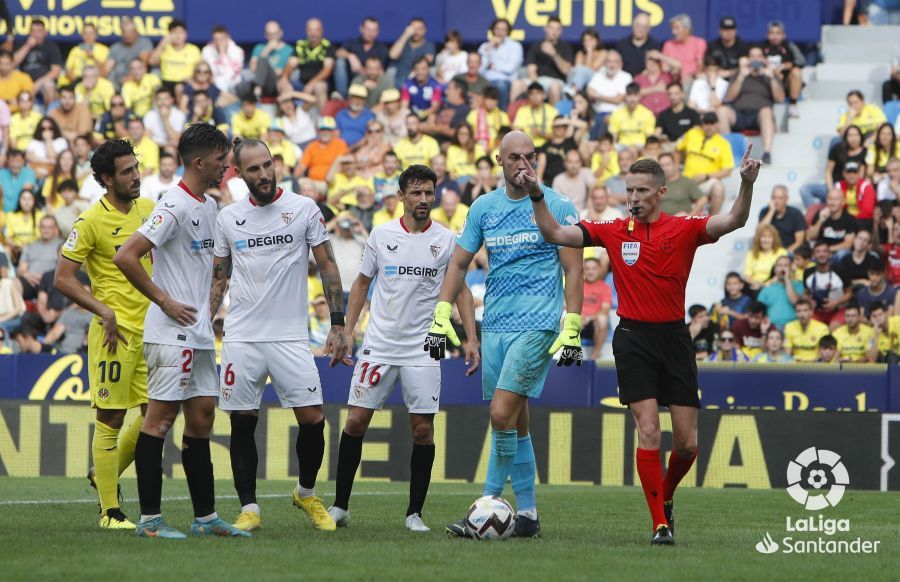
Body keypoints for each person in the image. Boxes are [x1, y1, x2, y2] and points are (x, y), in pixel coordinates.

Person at [526, 144, 762, 544]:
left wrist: (746, 183)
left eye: (641, 191)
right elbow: (554, 233)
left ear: (661, 192)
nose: (633, 198)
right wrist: (536, 194)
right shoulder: (613, 231)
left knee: (687, 445)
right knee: (649, 430)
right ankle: (659, 524)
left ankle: (664, 496)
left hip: (675, 339)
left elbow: (735, 219)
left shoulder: (684, 228)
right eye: (629, 190)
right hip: (633, 338)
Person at [440, 131, 585, 539]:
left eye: (529, 156)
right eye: (515, 157)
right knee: (517, 424)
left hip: (538, 324)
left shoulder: (558, 205)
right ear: (499, 161)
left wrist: (573, 323)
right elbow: (458, 264)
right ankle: (529, 516)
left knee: (500, 414)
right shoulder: (484, 207)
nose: (523, 164)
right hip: (496, 325)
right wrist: (445, 313)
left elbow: (574, 269)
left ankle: (484, 507)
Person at [113, 123, 247, 539]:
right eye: (222, 160)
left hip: (198, 332)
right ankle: (150, 520)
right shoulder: (173, 204)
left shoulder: (208, 204)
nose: (227, 166)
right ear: (199, 162)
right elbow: (127, 256)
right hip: (171, 333)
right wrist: (164, 301)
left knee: (202, 416)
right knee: (159, 420)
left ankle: (205, 518)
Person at [208, 138, 348, 533]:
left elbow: (328, 265)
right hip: (242, 336)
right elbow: (219, 277)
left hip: (290, 336)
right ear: (239, 174)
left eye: (267, 165)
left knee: (313, 419)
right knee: (242, 422)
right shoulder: (228, 217)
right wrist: (204, 323)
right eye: (253, 169)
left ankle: (305, 493)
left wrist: (338, 324)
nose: (264, 174)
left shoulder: (304, 208)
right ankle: (249, 508)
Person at [329, 164, 477, 532]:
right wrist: (347, 330)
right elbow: (361, 284)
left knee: (422, 430)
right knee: (355, 422)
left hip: (424, 347)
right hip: (379, 345)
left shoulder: (447, 240)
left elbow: (461, 290)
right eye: (416, 192)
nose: (424, 199)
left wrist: (472, 338)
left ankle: (414, 514)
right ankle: (340, 506)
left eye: (429, 192)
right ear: (401, 196)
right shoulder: (381, 235)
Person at [54, 138, 156, 529]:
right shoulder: (91, 221)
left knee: (156, 416)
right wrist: (103, 310)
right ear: (106, 179)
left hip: (152, 331)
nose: (136, 176)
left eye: (136, 167)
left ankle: (104, 473)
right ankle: (109, 511)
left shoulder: (149, 210)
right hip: (115, 334)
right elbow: (64, 278)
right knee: (111, 417)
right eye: (127, 171)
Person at [718, 46, 784, 165]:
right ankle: (728, 153)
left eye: (758, 56)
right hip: (739, 114)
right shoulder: (740, 73)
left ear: (763, 59)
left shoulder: (770, 75)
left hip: (760, 116)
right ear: (748, 59)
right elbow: (730, 97)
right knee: (722, 111)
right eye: (752, 56)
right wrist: (741, 77)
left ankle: (766, 153)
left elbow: (780, 98)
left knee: (766, 111)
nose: (755, 59)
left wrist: (772, 77)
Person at [676, 112, 734, 214]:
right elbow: (677, 149)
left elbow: (727, 171)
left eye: (712, 123)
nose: (709, 127)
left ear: (717, 124)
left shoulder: (724, 144)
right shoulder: (692, 133)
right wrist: (676, 168)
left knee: (718, 188)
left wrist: (706, 176)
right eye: (706, 123)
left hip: (706, 181)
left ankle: (712, 220)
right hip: (686, 179)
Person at [800, 125, 867, 209]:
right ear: (845, 137)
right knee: (805, 189)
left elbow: (861, 175)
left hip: (851, 189)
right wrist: (831, 190)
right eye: (850, 135)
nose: (853, 138)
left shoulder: (866, 152)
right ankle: (814, 214)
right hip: (833, 186)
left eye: (856, 135)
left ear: (861, 137)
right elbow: (828, 171)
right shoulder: (837, 149)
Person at [521, 17, 574, 105]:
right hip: (538, 80)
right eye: (551, 28)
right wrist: (536, 87)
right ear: (545, 29)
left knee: (554, 87)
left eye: (557, 29)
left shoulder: (565, 47)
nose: (554, 32)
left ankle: (554, 114)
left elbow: (566, 70)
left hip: (556, 81)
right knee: (517, 84)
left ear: (561, 31)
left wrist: (554, 54)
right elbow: (531, 70)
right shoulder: (536, 46)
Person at [334, 17, 389, 98]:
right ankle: (342, 96)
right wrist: (350, 56)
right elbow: (338, 53)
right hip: (350, 79)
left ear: (378, 32)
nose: (370, 33)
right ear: (361, 29)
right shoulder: (352, 42)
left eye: (374, 30)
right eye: (368, 29)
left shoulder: (382, 48)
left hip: (370, 80)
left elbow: (380, 71)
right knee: (340, 62)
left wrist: (364, 72)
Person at [12, 19, 61, 104]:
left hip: (43, 80)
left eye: (39, 31)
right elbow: (12, 63)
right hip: (24, 79)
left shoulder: (51, 46)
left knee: (49, 86)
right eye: (33, 31)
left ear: (45, 33)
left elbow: (56, 71)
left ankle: (49, 112)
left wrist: (39, 82)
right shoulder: (22, 44)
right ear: (29, 32)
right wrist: (28, 46)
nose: (36, 34)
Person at [478, 18, 523, 109]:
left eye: (503, 30)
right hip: (485, 79)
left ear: (507, 31)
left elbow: (509, 69)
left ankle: (503, 113)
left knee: (500, 86)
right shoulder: (485, 46)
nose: (500, 32)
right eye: (497, 29)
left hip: (505, 80)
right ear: (493, 30)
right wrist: (489, 47)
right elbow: (480, 69)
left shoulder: (515, 46)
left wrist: (492, 65)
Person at [805, 241, 852, 327]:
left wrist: (836, 302)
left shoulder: (841, 271)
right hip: (817, 311)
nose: (821, 254)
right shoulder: (808, 273)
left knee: (834, 327)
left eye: (824, 251)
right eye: (818, 252)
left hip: (838, 309)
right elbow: (806, 293)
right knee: (814, 328)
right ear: (813, 255)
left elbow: (849, 293)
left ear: (830, 254)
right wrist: (809, 301)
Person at [586, 51, 632, 139]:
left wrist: (598, 96)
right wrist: (610, 98)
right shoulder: (598, 76)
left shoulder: (626, 77)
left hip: (618, 113)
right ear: (604, 63)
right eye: (609, 61)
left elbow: (618, 100)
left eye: (615, 61)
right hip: (598, 113)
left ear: (621, 64)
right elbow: (589, 93)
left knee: (606, 122)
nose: (612, 65)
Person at [762, 21, 803, 118]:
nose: (775, 36)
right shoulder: (761, 47)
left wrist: (784, 66)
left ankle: (793, 105)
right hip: (767, 81)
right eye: (772, 33)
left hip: (785, 82)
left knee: (796, 72)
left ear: (783, 35)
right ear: (767, 35)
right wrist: (770, 70)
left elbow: (801, 61)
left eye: (778, 33)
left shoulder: (789, 46)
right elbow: (753, 60)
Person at [149, 19, 201, 95]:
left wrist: (192, 80)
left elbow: (200, 68)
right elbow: (152, 62)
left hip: (185, 83)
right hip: (166, 82)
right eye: (174, 32)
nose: (178, 36)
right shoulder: (165, 48)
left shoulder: (193, 50)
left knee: (180, 88)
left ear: (186, 34)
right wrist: (163, 43)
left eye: (180, 32)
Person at [246, 21, 295, 99]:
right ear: (265, 35)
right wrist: (267, 49)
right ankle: (258, 89)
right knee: (241, 86)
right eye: (270, 34)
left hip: (276, 84)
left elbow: (281, 72)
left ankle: (257, 90)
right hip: (259, 82)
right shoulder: (259, 48)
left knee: (262, 60)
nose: (273, 37)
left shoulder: (289, 50)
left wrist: (265, 70)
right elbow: (252, 69)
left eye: (275, 34)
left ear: (281, 33)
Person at [15, 210, 57, 299]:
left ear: (55, 229)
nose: (46, 230)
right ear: (39, 228)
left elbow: (63, 272)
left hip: (50, 283)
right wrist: (28, 275)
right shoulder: (30, 245)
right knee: (11, 284)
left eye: (49, 227)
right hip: (30, 281)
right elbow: (21, 269)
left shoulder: (61, 246)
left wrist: (45, 277)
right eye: (43, 227)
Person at [296, 116, 349, 182]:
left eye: (328, 129)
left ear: (333, 132)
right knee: (303, 183)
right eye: (322, 129)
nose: (325, 132)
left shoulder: (340, 144)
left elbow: (345, 164)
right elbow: (301, 166)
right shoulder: (312, 146)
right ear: (318, 131)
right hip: (313, 182)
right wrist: (294, 180)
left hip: (334, 182)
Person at [757, 255, 804, 328]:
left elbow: (795, 301)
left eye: (786, 265)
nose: (782, 268)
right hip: (773, 327)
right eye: (779, 265)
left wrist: (787, 279)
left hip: (794, 326)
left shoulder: (799, 285)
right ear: (775, 269)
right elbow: (759, 310)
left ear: (791, 268)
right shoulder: (767, 289)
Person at [104, 18, 153, 87]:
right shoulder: (115, 47)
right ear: (121, 33)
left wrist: (127, 81)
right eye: (125, 32)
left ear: (136, 32)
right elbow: (106, 69)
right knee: (117, 70)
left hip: (138, 78)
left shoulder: (144, 43)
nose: (127, 35)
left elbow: (142, 65)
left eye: (130, 32)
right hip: (120, 81)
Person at [807, 188, 858, 254]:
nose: (832, 202)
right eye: (830, 199)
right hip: (821, 254)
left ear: (843, 202)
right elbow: (809, 237)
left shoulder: (850, 219)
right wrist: (820, 220)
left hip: (838, 253)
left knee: (842, 253)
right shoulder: (820, 214)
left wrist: (827, 250)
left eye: (836, 199)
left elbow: (848, 244)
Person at [389, 17, 436, 89]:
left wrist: (413, 75)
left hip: (417, 83)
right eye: (414, 29)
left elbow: (426, 63)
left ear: (425, 30)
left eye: (419, 29)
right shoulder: (403, 43)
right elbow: (393, 55)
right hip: (399, 81)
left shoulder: (429, 45)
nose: (416, 32)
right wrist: (405, 35)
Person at [758, 185, 807, 252]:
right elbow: (760, 232)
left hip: (791, 251)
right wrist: (771, 211)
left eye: (780, 198)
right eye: (774, 198)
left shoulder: (796, 214)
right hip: (770, 252)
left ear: (786, 199)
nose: (777, 201)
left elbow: (799, 242)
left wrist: (784, 254)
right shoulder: (765, 212)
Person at [606, 82, 655, 149]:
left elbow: (649, 136)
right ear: (625, 96)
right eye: (629, 95)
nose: (632, 99)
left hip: (641, 145)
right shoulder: (617, 113)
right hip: (622, 145)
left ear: (640, 96)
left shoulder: (648, 114)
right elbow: (613, 135)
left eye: (635, 95)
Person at [662, 14, 706, 85]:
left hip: (694, 81)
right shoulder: (668, 45)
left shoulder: (699, 43)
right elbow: (665, 68)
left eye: (676, 28)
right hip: (673, 82)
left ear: (687, 29)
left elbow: (700, 65)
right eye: (672, 29)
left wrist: (692, 76)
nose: (673, 32)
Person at [614, 13, 662, 77]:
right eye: (638, 25)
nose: (641, 29)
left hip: (645, 80)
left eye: (644, 27)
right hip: (624, 80)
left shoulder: (655, 45)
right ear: (633, 26)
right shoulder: (622, 44)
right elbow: (615, 64)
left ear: (649, 29)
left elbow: (659, 68)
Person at [582, 256, 612, 359]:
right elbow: (566, 305)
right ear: (583, 270)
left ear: (599, 270)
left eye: (593, 269)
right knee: (565, 317)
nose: (590, 272)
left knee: (603, 319)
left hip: (594, 324)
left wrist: (589, 318)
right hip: (578, 321)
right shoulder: (577, 285)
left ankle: (595, 354)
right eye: (587, 269)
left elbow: (605, 310)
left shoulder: (605, 287)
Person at [201, 25, 244, 97]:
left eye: (222, 39)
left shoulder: (238, 51)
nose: (219, 42)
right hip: (212, 84)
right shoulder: (207, 50)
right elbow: (208, 71)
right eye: (216, 39)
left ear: (228, 37)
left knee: (220, 81)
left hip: (233, 84)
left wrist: (222, 55)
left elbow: (229, 75)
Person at [512, 82, 558, 148]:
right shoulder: (522, 110)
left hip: (548, 146)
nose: (535, 97)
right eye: (532, 94)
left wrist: (540, 133)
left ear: (543, 95)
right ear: (528, 96)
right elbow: (516, 131)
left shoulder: (552, 111)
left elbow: (557, 136)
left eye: (538, 93)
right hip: (527, 147)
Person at [744, 224, 788, 291]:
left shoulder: (782, 252)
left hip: (775, 286)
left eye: (769, 237)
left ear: (774, 239)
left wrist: (765, 285)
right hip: (755, 287)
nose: (766, 240)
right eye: (763, 236)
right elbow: (747, 275)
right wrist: (755, 283)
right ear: (759, 238)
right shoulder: (752, 253)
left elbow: (783, 273)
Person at [537, 116, 578, 186]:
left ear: (566, 128)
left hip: (568, 180)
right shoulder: (546, 145)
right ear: (553, 128)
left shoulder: (570, 142)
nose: (559, 128)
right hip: (549, 182)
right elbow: (541, 165)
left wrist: (567, 121)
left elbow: (584, 126)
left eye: (562, 125)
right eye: (557, 126)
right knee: (542, 156)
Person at [143, 87, 186, 151]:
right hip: (155, 147)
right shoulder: (149, 115)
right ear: (156, 101)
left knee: (170, 149)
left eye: (165, 99)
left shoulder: (179, 115)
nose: (162, 102)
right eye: (159, 99)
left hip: (173, 148)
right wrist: (165, 145)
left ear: (172, 100)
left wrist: (165, 119)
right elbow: (147, 139)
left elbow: (175, 139)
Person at [837, 161, 876, 228]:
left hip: (861, 220)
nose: (851, 176)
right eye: (848, 172)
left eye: (854, 172)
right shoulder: (838, 186)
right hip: (844, 218)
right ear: (843, 174)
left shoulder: (866, 187)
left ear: (859, 174)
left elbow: (867, 212)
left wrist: (850, 220)